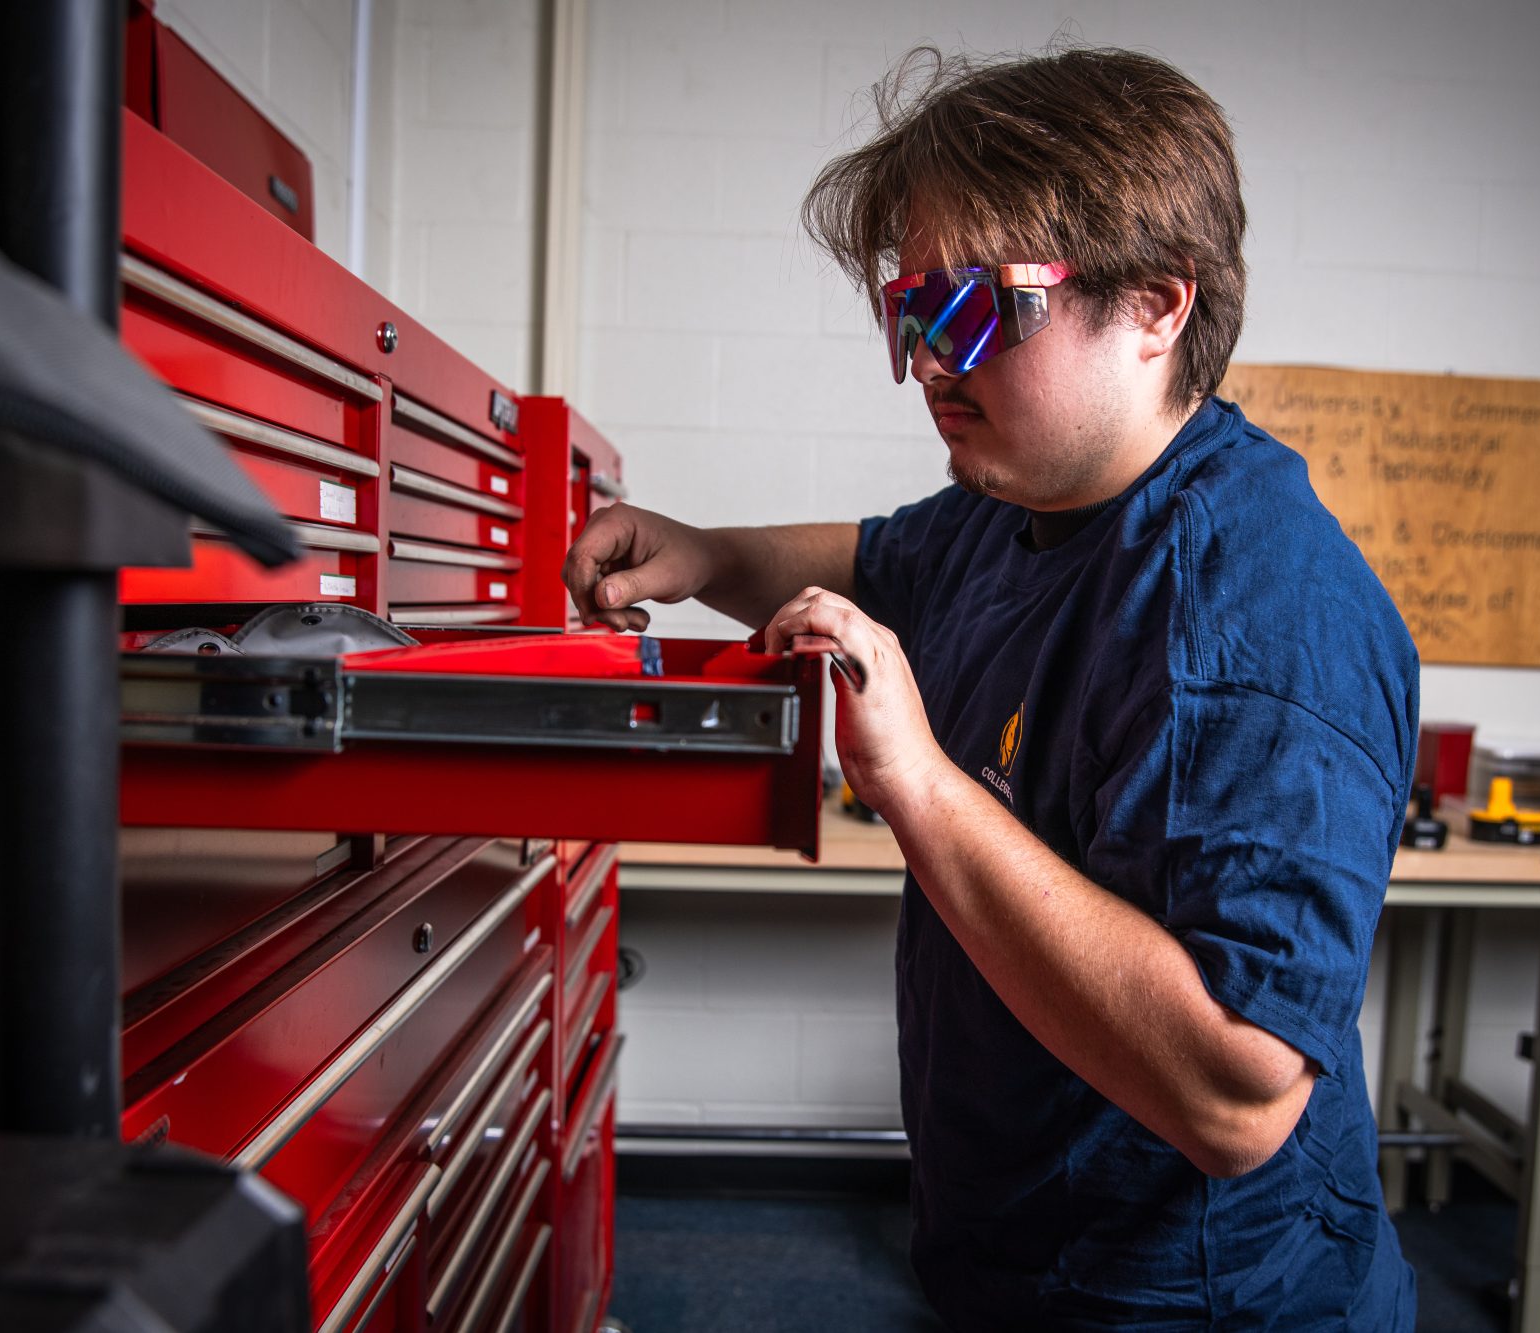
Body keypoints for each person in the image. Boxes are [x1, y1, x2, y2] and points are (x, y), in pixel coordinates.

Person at [563, 46, 1419, 1331]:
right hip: (1015, 1262)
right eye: (909, 312)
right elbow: (880, 555)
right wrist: (708, 557)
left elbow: (1237, 1098)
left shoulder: (1251, 617)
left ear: (1154, 307)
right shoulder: (1019, 502)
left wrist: (914, 781)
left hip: (1193, 1304)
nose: (923, 362)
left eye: (971, 310)